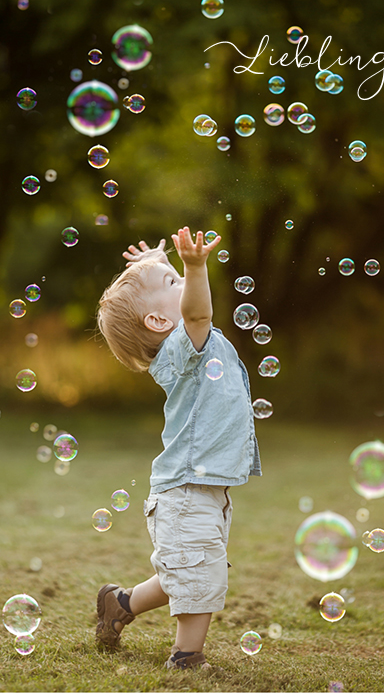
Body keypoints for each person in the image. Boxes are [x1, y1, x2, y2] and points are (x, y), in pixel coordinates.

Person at [93, 227, 261, 670]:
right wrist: (194, 265)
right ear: (160, 323)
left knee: (186, 569)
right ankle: (187, 657)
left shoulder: (186, 343)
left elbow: (183, 305)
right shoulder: (184, 348)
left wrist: (157, 264)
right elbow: (197, 312)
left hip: (206, 486)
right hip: (188, 488)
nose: (183, 281)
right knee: (199, 572)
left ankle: (120, 603)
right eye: (173, 283)